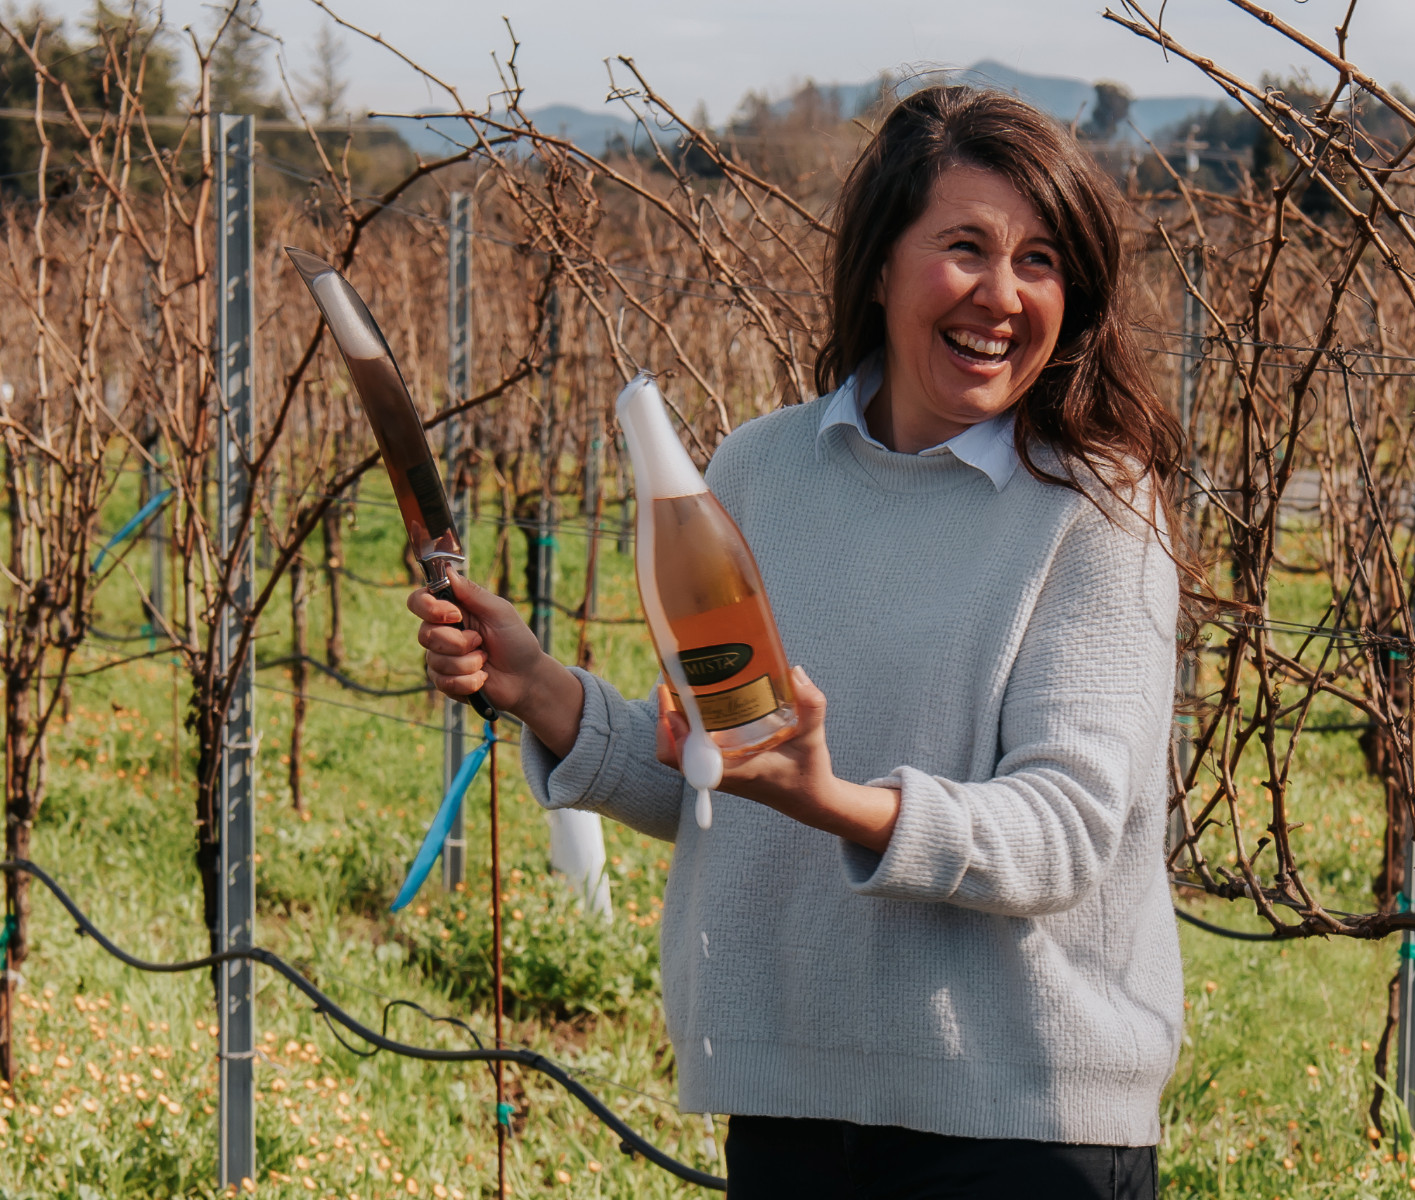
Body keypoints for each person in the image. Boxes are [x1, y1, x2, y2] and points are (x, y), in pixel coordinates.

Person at [411, 86, 1187, 1200]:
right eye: (964, 246)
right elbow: (724, 777)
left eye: (1042, 261)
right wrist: (537, 685)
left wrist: (840, 800)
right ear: (881, 264)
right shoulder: (758, 474)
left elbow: (1066, 832)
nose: (1002, 296)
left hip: (1026, 1128)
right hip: (790, 1110)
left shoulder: (1096, 511)